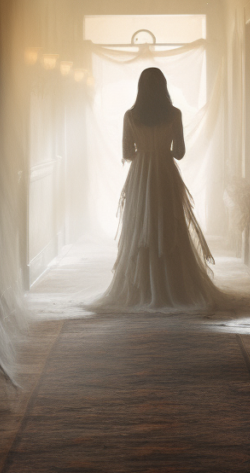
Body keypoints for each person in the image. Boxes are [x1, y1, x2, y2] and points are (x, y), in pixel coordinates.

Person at [92, 67, 220, 312]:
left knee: (141, 226)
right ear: (164, 86)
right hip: (164, 173)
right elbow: (180, 152)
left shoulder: (130, 116)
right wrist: (163, 151)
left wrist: (145, 152)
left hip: (141, 176)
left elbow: (127, 153)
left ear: (140, 88)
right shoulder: (174, 114)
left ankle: (144, 288)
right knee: (168, 225)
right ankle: (173, 286)